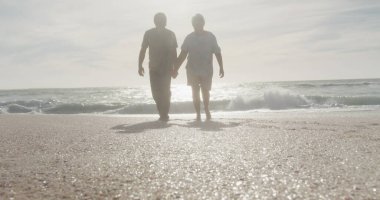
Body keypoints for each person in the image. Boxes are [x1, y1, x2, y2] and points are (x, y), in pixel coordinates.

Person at [173, 14, 224, 120]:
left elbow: (217, 52)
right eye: (195, 22)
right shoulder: (189, 38)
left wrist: (221, 67)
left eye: (199, 22)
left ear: (203, 23)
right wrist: (175, 69)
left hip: (206, 69)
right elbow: (182, 55)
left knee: (205, 91)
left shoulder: (210, 36)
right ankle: (198, 113)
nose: (197, 24)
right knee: (195, 91)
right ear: (192, 24)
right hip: (192, 69)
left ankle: (206, 109)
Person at [138, 13, 177, 121]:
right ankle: (162, 113)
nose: (160, 21)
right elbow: (143, 49)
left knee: (165, 91)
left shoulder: (171, 34)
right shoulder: (149, 33)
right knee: (155, 93)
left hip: (167, 68)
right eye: (158, 19)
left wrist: (175, 68)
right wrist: (140, 65)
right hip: (154, 68)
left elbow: (174, 52)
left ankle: (164, 114)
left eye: (162, 19)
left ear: (165, 21)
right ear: (155, 21)